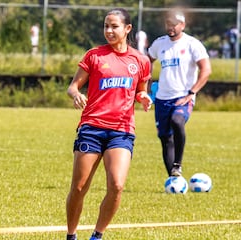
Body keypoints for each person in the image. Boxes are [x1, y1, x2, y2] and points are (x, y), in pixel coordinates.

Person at [65, 8, 152, 240]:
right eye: (106, 26)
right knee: (80, 188)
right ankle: (71, 235)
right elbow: (73, 86)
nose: (109, 31)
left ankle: (97, 235)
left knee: (117, 185)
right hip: (92, 128)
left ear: (127, 29)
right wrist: (75, 94)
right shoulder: (94, 55)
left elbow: (141, 90)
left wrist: (143, 97)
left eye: (114, 26)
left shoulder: (141, 61)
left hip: (122, 131)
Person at [147, 8, 212, 177]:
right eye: (168, 23)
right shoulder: (159, 43)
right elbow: (147, 60)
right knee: (164, 138)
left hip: (183, 96)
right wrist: (147, 85)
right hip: (161, 98)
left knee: (177, 121)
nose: (171, 27)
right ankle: (174, 178)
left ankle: (178, 164)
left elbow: (206, 70)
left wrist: (192, 92)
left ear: (182, 25)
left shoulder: (192, 44)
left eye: (174, 24)